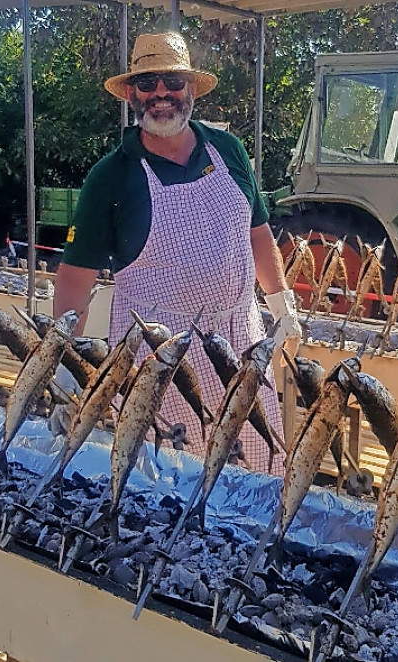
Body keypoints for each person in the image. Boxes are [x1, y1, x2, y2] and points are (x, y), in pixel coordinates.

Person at [53, 32, 301, 474]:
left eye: (172, 81)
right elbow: (75, 278)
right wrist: (63, 368)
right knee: (168, 489)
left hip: (242, 348)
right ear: (131, 94)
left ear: (190, 90)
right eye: (147, 84)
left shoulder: (229, 151)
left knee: (256, 478)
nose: (161, 94)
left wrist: (282, 302)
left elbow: (258, 232)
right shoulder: (110, 178)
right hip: (161, 365)